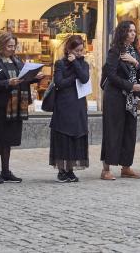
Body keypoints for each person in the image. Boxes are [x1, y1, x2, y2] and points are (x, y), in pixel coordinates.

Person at [0, 33, 38, 184]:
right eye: (9, 46)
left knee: (8, 139)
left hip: (15, 104)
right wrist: (8, 82)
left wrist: (35, 77)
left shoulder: (17, 60)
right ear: (1, 46)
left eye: (14, 46)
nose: (12, 49)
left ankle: (5, 171)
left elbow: (23, 78)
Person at [101, 21, 140, 180]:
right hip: (115, 97)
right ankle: (106, 169)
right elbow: (111, 75)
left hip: (131, 99)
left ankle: (126, 167)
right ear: (123, 32)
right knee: (112, 132)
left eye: (134, 31)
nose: (133, 33)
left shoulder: (135, 52)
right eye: (130, 31)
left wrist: (135, 62)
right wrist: (130, 86)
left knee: (129, 132)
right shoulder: (115, 51)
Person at [50, 35, 90, 183]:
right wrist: (73, 78)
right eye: (76, 50)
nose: (79, 53)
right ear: (69, 50)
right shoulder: (60, 63)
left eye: (81, 50)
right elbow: (59, 83)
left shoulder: (83, 64)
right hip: (64, 105)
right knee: (63, 137)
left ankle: (71, 169)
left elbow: (84, 78)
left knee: (76, 136)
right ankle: (62, 170)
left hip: (78, 106)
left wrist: (75, 64)